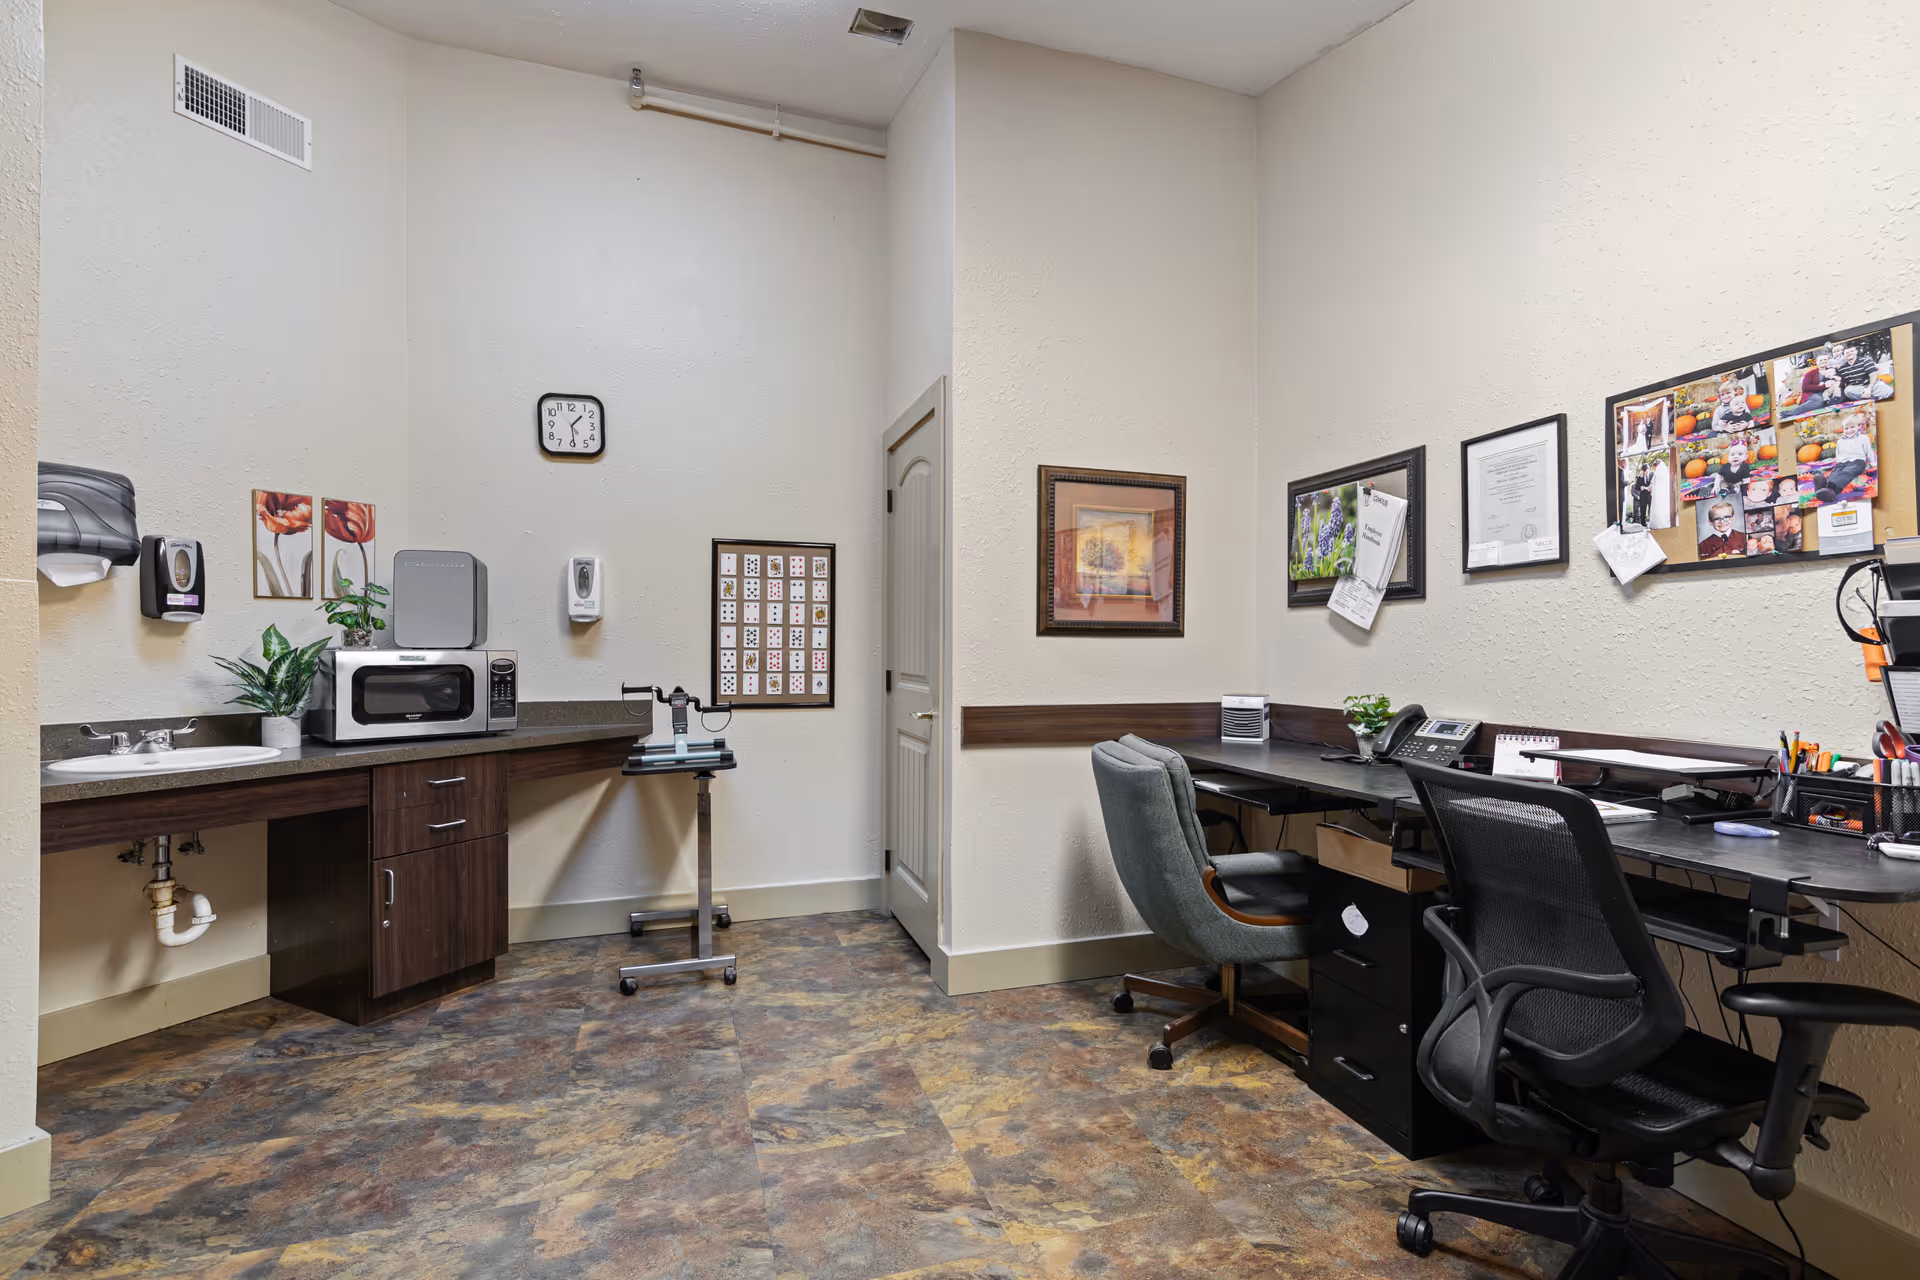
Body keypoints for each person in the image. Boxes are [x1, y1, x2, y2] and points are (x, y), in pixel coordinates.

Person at [1814, 410, 1878, 502]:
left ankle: (1831, 491)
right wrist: (1838, 464)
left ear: (1859, 426)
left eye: (1852, 427)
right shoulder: (1840, 441)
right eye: (1846, 428)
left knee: (1847, 473)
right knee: (1835, 473)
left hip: (1857, 462)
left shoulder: (1863, 438)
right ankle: (1823, 488)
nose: (1849, 430)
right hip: (1842, 462)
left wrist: (1872, 463)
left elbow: (1869, 451)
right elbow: (1838, 454)